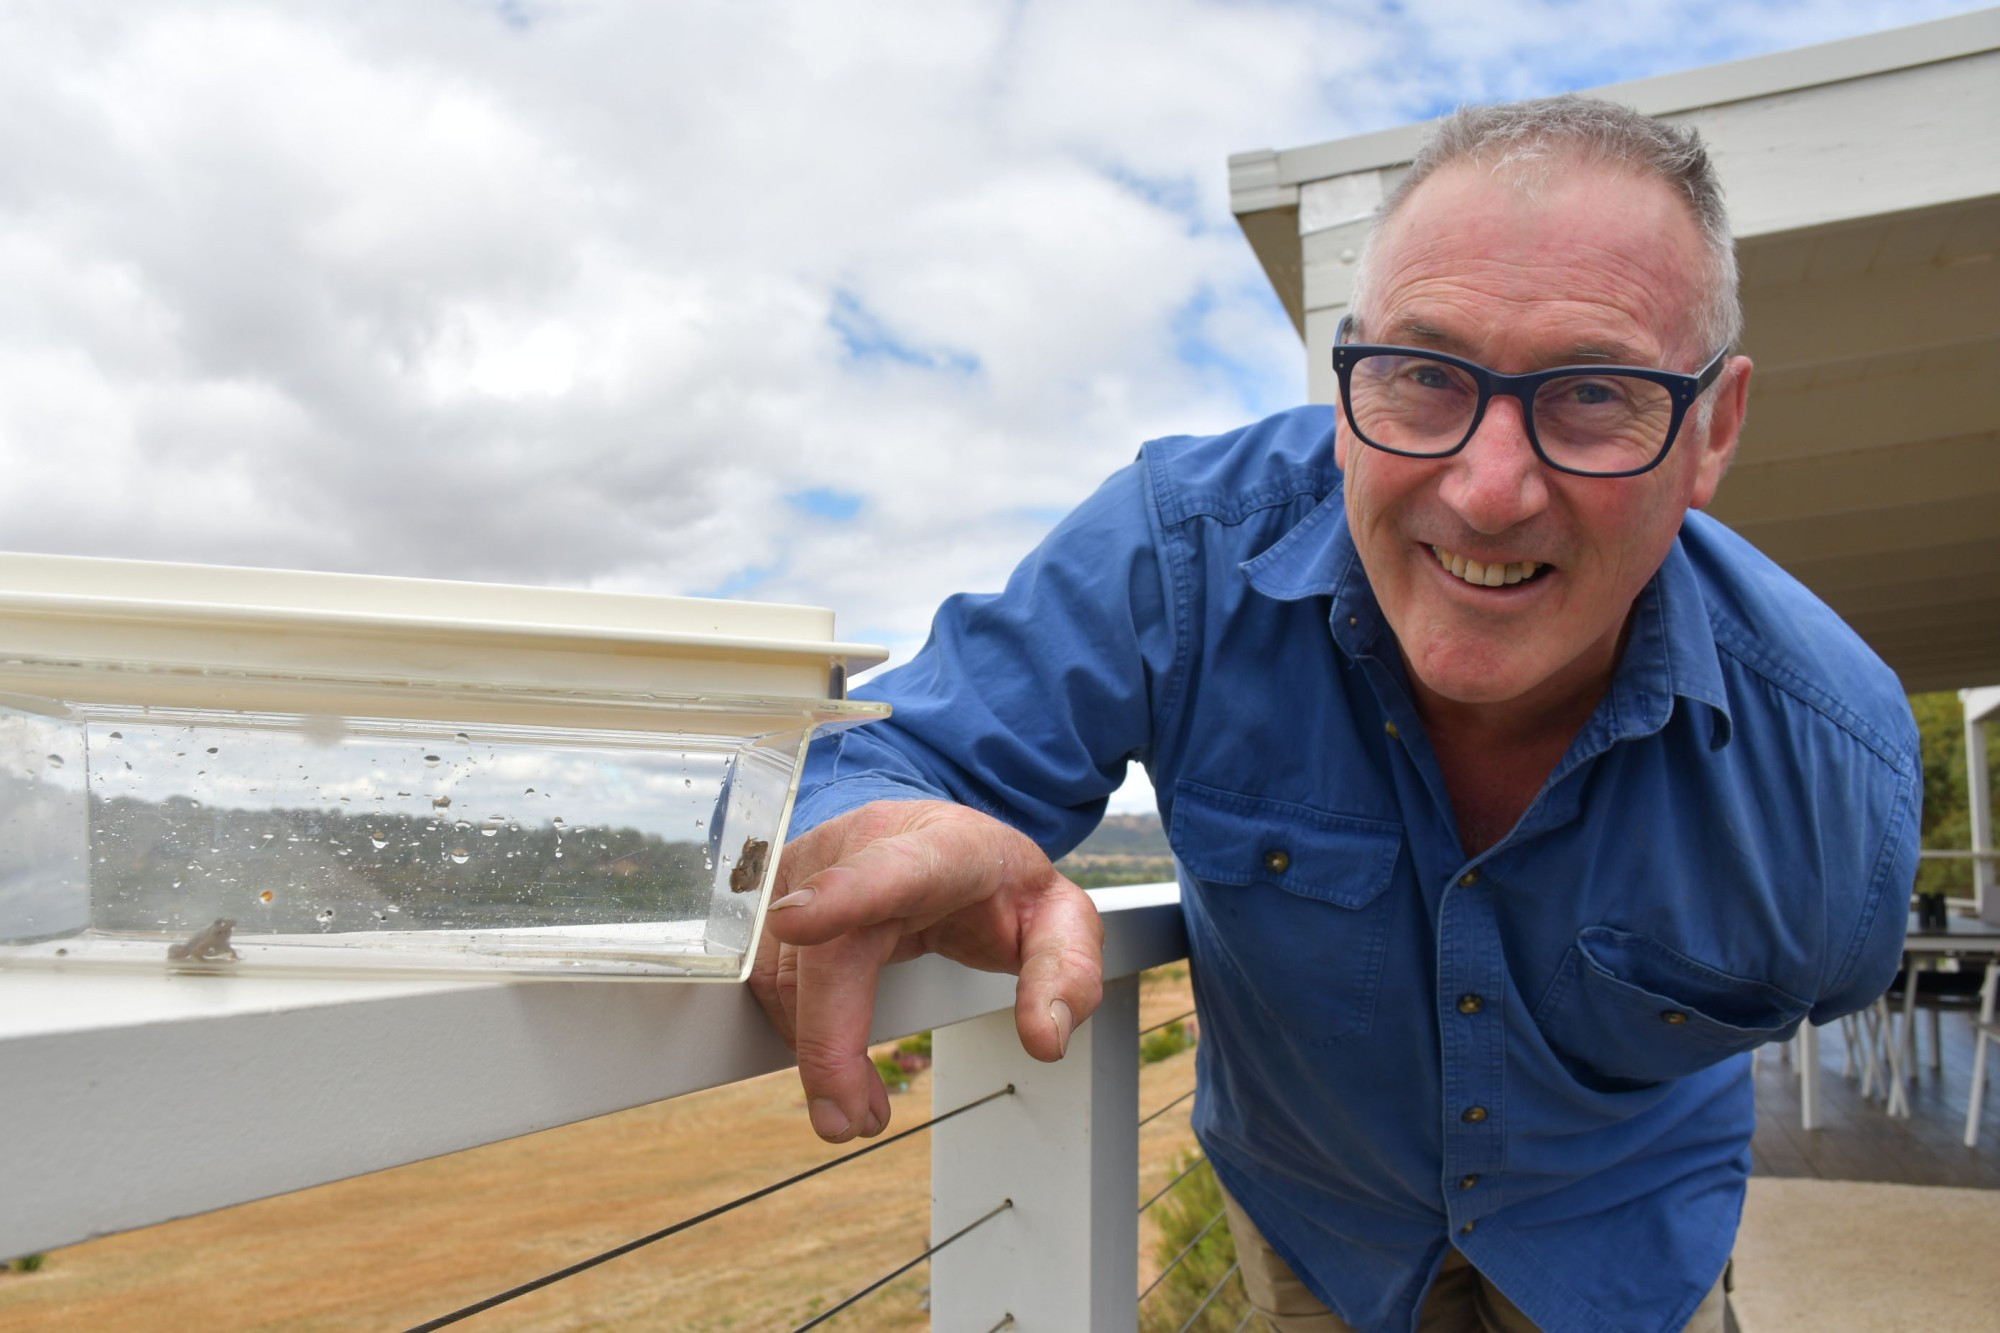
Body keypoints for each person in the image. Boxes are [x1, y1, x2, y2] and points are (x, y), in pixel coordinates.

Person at [749, 95, 1919, 1332]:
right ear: (1346, 370)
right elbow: (870, 753)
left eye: (1590, 395)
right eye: (1422, 374)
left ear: (1710, 429)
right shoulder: (1184, 556)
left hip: (1624, 1248)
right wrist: (872, 825)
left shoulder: (1831, 774)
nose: (1486, 490)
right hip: (1315, 1233)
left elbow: (1832, 983)